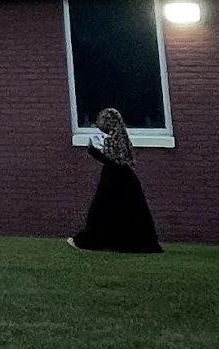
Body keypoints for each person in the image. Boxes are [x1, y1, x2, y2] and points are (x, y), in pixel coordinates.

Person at [68, 108, 163, 254]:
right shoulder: (122, 138)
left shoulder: (110, 140)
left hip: (112, 179)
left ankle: (93, 240)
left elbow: (111, 162)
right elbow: (119, 161)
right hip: (126, 179)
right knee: (130, 211)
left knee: (100, 209)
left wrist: (93, 152)